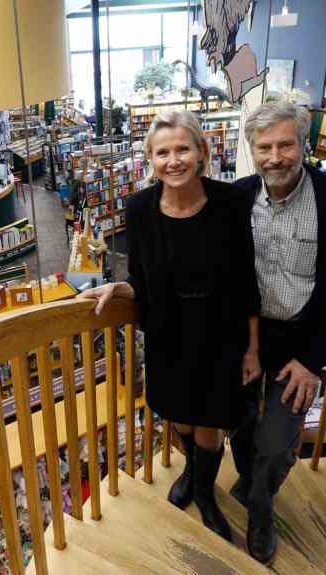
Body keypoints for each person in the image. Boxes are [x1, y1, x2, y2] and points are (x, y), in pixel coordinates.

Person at [78, 109, 262, 544]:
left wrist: (252, 349)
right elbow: (141, 278)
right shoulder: (139, 208)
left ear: (201, 153)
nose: (173, 160)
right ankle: (194, 472)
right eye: (163, 152)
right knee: (177, 412)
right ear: (151, 160)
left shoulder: (230, 202)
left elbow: (245, 279)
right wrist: (117, 288)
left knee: (211, 422)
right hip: (168, 334)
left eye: (183, 149)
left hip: (220, 335)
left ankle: (203, 491)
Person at [228, 101, 326, 564]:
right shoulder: (237, 197)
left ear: (304, 145)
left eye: (285, 144)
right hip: (247, 338)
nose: (275, 156)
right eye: (264, 147)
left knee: (276, 442)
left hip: (302, 342)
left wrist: (313, 360)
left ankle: (261, 508)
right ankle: (249, 483)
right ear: (252, 150)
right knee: (242, 428)